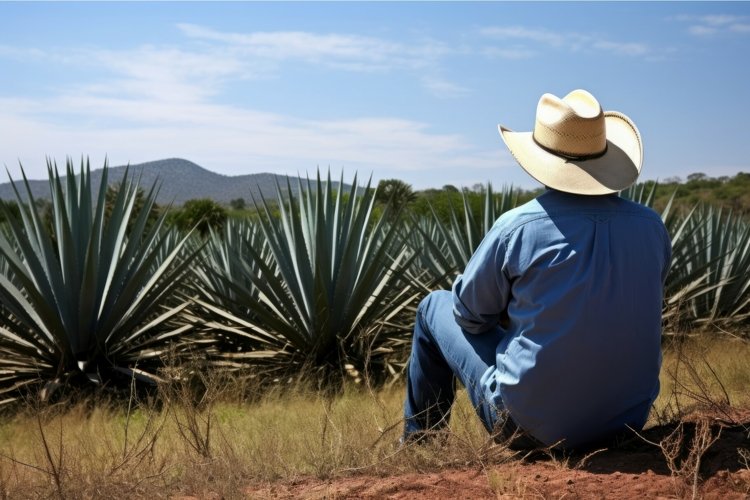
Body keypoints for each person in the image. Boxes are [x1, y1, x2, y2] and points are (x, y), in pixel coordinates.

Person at [403, 89, 672, 450]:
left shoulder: (519, 227)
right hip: (627, 423)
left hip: (530, 430)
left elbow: (467, 315)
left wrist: (511, 317)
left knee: (433, 306)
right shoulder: (651, 227)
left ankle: (420, 447)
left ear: (541, 158)